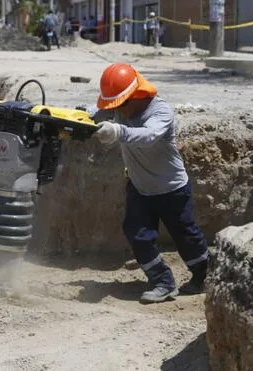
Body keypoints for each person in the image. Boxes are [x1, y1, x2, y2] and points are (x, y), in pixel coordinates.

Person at [91, 63, 210, 304]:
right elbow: (94, 114)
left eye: (121, 105)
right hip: (140, 188)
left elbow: (148, 136)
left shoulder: (161, 112)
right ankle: (162, 282)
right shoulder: (120, 110)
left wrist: (119, 132)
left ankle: (203, 277)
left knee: (187, 236)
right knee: (137, 235)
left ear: (136, 95)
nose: (119, 112)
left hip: (172, 189)